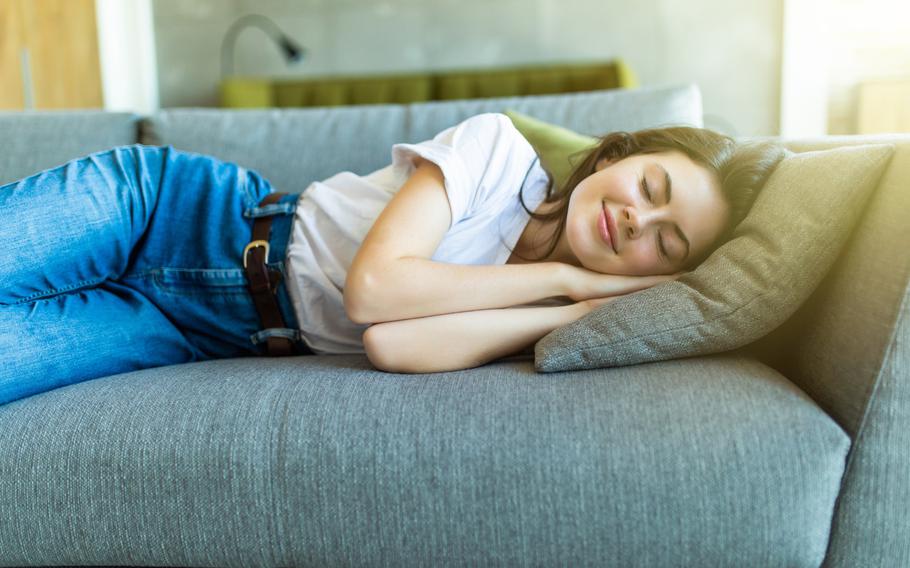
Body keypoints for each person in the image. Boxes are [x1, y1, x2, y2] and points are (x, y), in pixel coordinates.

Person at [0, 112, 784, 405]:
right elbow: (373, 290)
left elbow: (390, 343)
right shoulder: (497, 155)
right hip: (170, 210)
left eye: (665, 243)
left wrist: (576, 310)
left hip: (190, 327)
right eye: (649, 186)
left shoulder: (544, 316)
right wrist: (567, 275)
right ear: (625, 151)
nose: (634, 220)